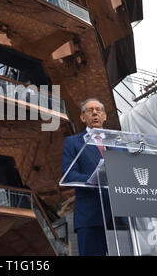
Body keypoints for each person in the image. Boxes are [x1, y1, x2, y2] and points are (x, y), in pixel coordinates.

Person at [61, 98, 111, 256]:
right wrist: (95, 178)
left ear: (104, 116)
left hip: (120, 216)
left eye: (98, 110)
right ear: (83, 118)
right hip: (90, 216)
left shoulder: (119, 142)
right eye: (90, 110)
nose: (95, 112)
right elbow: (69, 175)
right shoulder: (72, 142)